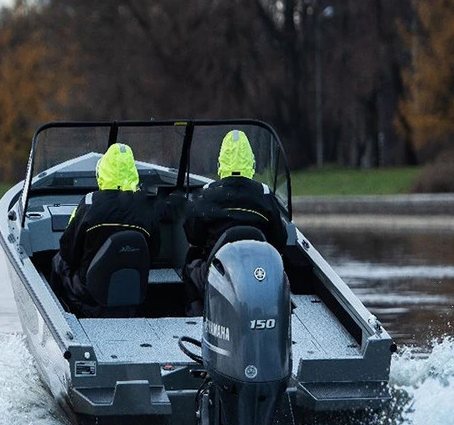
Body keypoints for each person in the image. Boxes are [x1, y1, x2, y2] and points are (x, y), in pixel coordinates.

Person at [182, 129, 289, 315]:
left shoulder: (207, 194)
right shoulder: (264, 194)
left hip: (219, 273)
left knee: (190, 265)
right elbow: (280, 238)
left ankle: (197, 313)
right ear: (251, 161)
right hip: (259, 275)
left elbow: (194, 235)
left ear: (221, 161)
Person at [52, 142, 161, 316]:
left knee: (57, 261)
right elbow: (153, 252)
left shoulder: (90, 203)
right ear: (133, 170)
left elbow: (68, 251)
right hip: (132, 293)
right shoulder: (146, 207)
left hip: (88, 294)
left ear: (102, 170)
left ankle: (61, 318)